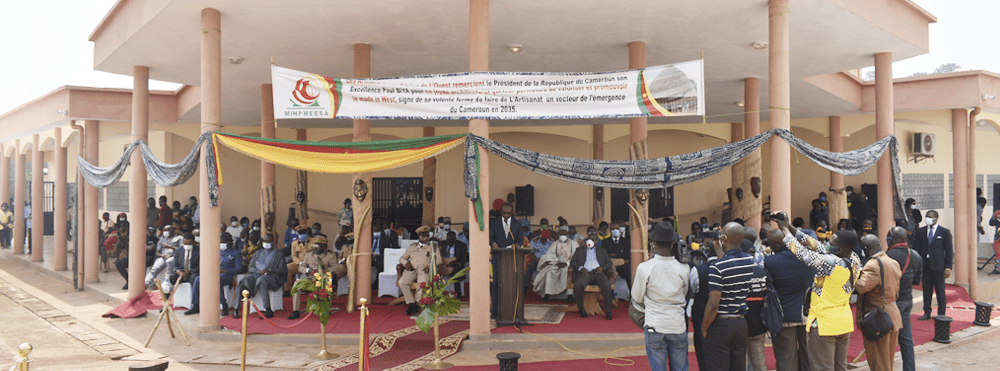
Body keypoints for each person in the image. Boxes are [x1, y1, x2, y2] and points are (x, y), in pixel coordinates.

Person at [776, 212, 861, 371]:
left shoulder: (830, 263)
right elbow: (815, 245)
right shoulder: (854, 258)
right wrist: (789, 226)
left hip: (824, 322)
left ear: (839, 248)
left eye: (832, 242)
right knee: (839, 367)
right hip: (843, 321)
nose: (827, 243)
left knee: (822, 368)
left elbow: (802, 254)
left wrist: (784, 231)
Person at [632, 221, 689, 371]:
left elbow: (637, 297)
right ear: (672, 243)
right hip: (677, 324)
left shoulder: (645, 268)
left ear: (653, 243)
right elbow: (685, 293)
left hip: (655, 324)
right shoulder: (684, 268)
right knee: (681, 368)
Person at [699, 223, 754, 371]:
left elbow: (713, 304)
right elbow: (730, 263)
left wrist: (704, 327)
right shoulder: (750, 261)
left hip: (720, 325)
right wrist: (718, 245)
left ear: (723, 238)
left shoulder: (717, 267)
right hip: (741, 324)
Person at [762, 228, 814, 371]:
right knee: (809, 357)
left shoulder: (771, 261)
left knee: (786, 358)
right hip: (808, 313)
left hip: (783, 315)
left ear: (777, 246)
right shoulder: (808, 256)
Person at [855, 234, 902, 371]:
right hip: (892, 314)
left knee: (879, 363)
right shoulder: (892, 261)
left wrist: (852, 274)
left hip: (878, 317)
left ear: (865, 248)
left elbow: (861, 287)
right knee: (887, 361)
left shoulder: (873, 264)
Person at [886, 226, 922, 371]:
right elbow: (916, 282)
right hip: (907, 300)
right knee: (906, 339)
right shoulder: (916, 256)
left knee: (887, 341)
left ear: (890, 240)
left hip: (890, 302)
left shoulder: (887, 257)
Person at [233, 233, 287, 318]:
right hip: (256, 274)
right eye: (265, 241)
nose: (266, 243)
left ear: (273, 242)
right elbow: (250, 267)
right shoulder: (258, 252)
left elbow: (283, 270)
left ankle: (268, 309)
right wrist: (259, 272)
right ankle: (236, 309)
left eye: (268, 241)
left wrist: (270, 270)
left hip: (272, 278)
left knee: (262, 280)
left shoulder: (279, 254)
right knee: (243, 281)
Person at [288, 237, 341, 320]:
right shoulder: (309, 254)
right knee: (296, 285)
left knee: (323, 287)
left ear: (325, 246)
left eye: (321, 246)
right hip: (310, 279)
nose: (318, 247)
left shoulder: (330, 255)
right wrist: (308, 270)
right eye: (316, 245)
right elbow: (300, 267)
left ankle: (323, 309)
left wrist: (324, 270)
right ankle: (296, 311)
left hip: (323, 280)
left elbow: (336, 268)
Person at [189, 232, 241, 316]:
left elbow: (238, 269)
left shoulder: (236, 252)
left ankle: (224, 305)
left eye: (223, 242)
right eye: (220, 242)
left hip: (228, 275)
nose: (221, 244)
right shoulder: (217, 251)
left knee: (216, 280)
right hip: (213, 273)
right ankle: (195, 305)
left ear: (229, 242)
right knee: (198, 279)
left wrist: (224, 270)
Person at [398, 226, 443, 316]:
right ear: (419, 236)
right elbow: (402, 258)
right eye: (423, 235)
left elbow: (439, 260)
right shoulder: (412, 247)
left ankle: (416, 303)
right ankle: (412, 303)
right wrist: (406, 263)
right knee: (402, 282)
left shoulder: (433, 247)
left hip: (424, 270)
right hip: (411, 270)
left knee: (422, 284)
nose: (426, 237)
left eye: (427, 235)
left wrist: (430, 266)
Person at [489, 202, 523, 318]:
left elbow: (520, 240)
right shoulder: (495, 223)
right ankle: (495, 311)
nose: (506, 216)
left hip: (511, 257)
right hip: (497, 257)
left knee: (511, 284)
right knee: (496, 284)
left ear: (512, 212)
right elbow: (490, 237)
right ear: (501, 212)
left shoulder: (517, 224)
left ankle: (511, 310)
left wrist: (517, 245)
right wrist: (494, 244)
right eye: (504, 213)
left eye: (508, 213)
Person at [917, 210, 952, 320]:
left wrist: (948, 266)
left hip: (938, 266)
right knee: (926, 290)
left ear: (936, 218)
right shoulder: (921, 231)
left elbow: (949, 251)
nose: (928, 218)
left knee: (940, 291)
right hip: (925, 266)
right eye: (927, 216)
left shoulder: (944, 232)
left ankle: (941, 313)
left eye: (930, 217)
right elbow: (917, 249)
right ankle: (927, 312)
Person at [569, 236, 614, 320]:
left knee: (606, 285)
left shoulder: (602, 250)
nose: (590, 241)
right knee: (578, 285)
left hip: (598, 273)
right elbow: (573, 262)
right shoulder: (579, 250)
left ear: (596, 241)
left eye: (592, 240)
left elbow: (609, 263)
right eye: (588, 239)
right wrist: (580, 268)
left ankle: (608, 311)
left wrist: (602, 267)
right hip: (584, 273)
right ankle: (581, 308)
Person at [532, 229, 575, 301]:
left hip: (568, 265)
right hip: (556, 264)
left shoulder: (573, 243)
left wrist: (566, 263)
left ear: (567, 235)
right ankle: (546, 294)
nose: (562, 236)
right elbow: (549, 254)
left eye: (564, 235)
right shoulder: (555, 243)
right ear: (558, 235)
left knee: (567, 272)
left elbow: (575, 256)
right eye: (561, 235)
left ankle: (569, 295)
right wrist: (556, 262)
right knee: (549, 272)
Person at [116, 226, 158, 290]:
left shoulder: (155, 240)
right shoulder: (142, 238)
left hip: (147, 259)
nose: (150, 234)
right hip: (137, 258)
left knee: (137, 264)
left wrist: (139, 246)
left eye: (152, 232)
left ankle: (137, 283)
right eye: (149, 232)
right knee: (119, 263)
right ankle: (129, 281)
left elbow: (150, 248)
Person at [145, 225, 182, 289]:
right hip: (163, 257)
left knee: (169, 262)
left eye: (167, 230)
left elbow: (182, 250)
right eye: (164, 231)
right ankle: (146, 283)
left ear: (172, 230)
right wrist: (164, 255)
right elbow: (157, 252)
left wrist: (171, 247)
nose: (165, 232)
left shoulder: (179, 238)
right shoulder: (162, 239)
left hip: (174, 257)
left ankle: (171, 284)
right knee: (155, 267)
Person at [167, 233, 199, 298]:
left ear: (193, 242)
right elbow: (175, 265)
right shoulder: (178, 250)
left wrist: (190, 271)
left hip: (192, 272)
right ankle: (177, 296)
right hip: (181, 272)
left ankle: (193, 300)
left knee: (194, 278)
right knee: (172, 277)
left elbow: (201, 265)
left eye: (189, 244)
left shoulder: (199, 250)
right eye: (185, 244)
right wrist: (178, 271)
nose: (187, 245)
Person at [286, 226, 312, 292]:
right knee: (287, 267)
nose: (301, 236)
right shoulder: (294, 243)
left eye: (303, 234)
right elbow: (294, 256)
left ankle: (310, 288)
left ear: (307, 234)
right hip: (299, 263)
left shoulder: (313, 241)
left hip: (311, 263)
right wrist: (300, 262)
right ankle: (288, 289)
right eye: (300, 234)